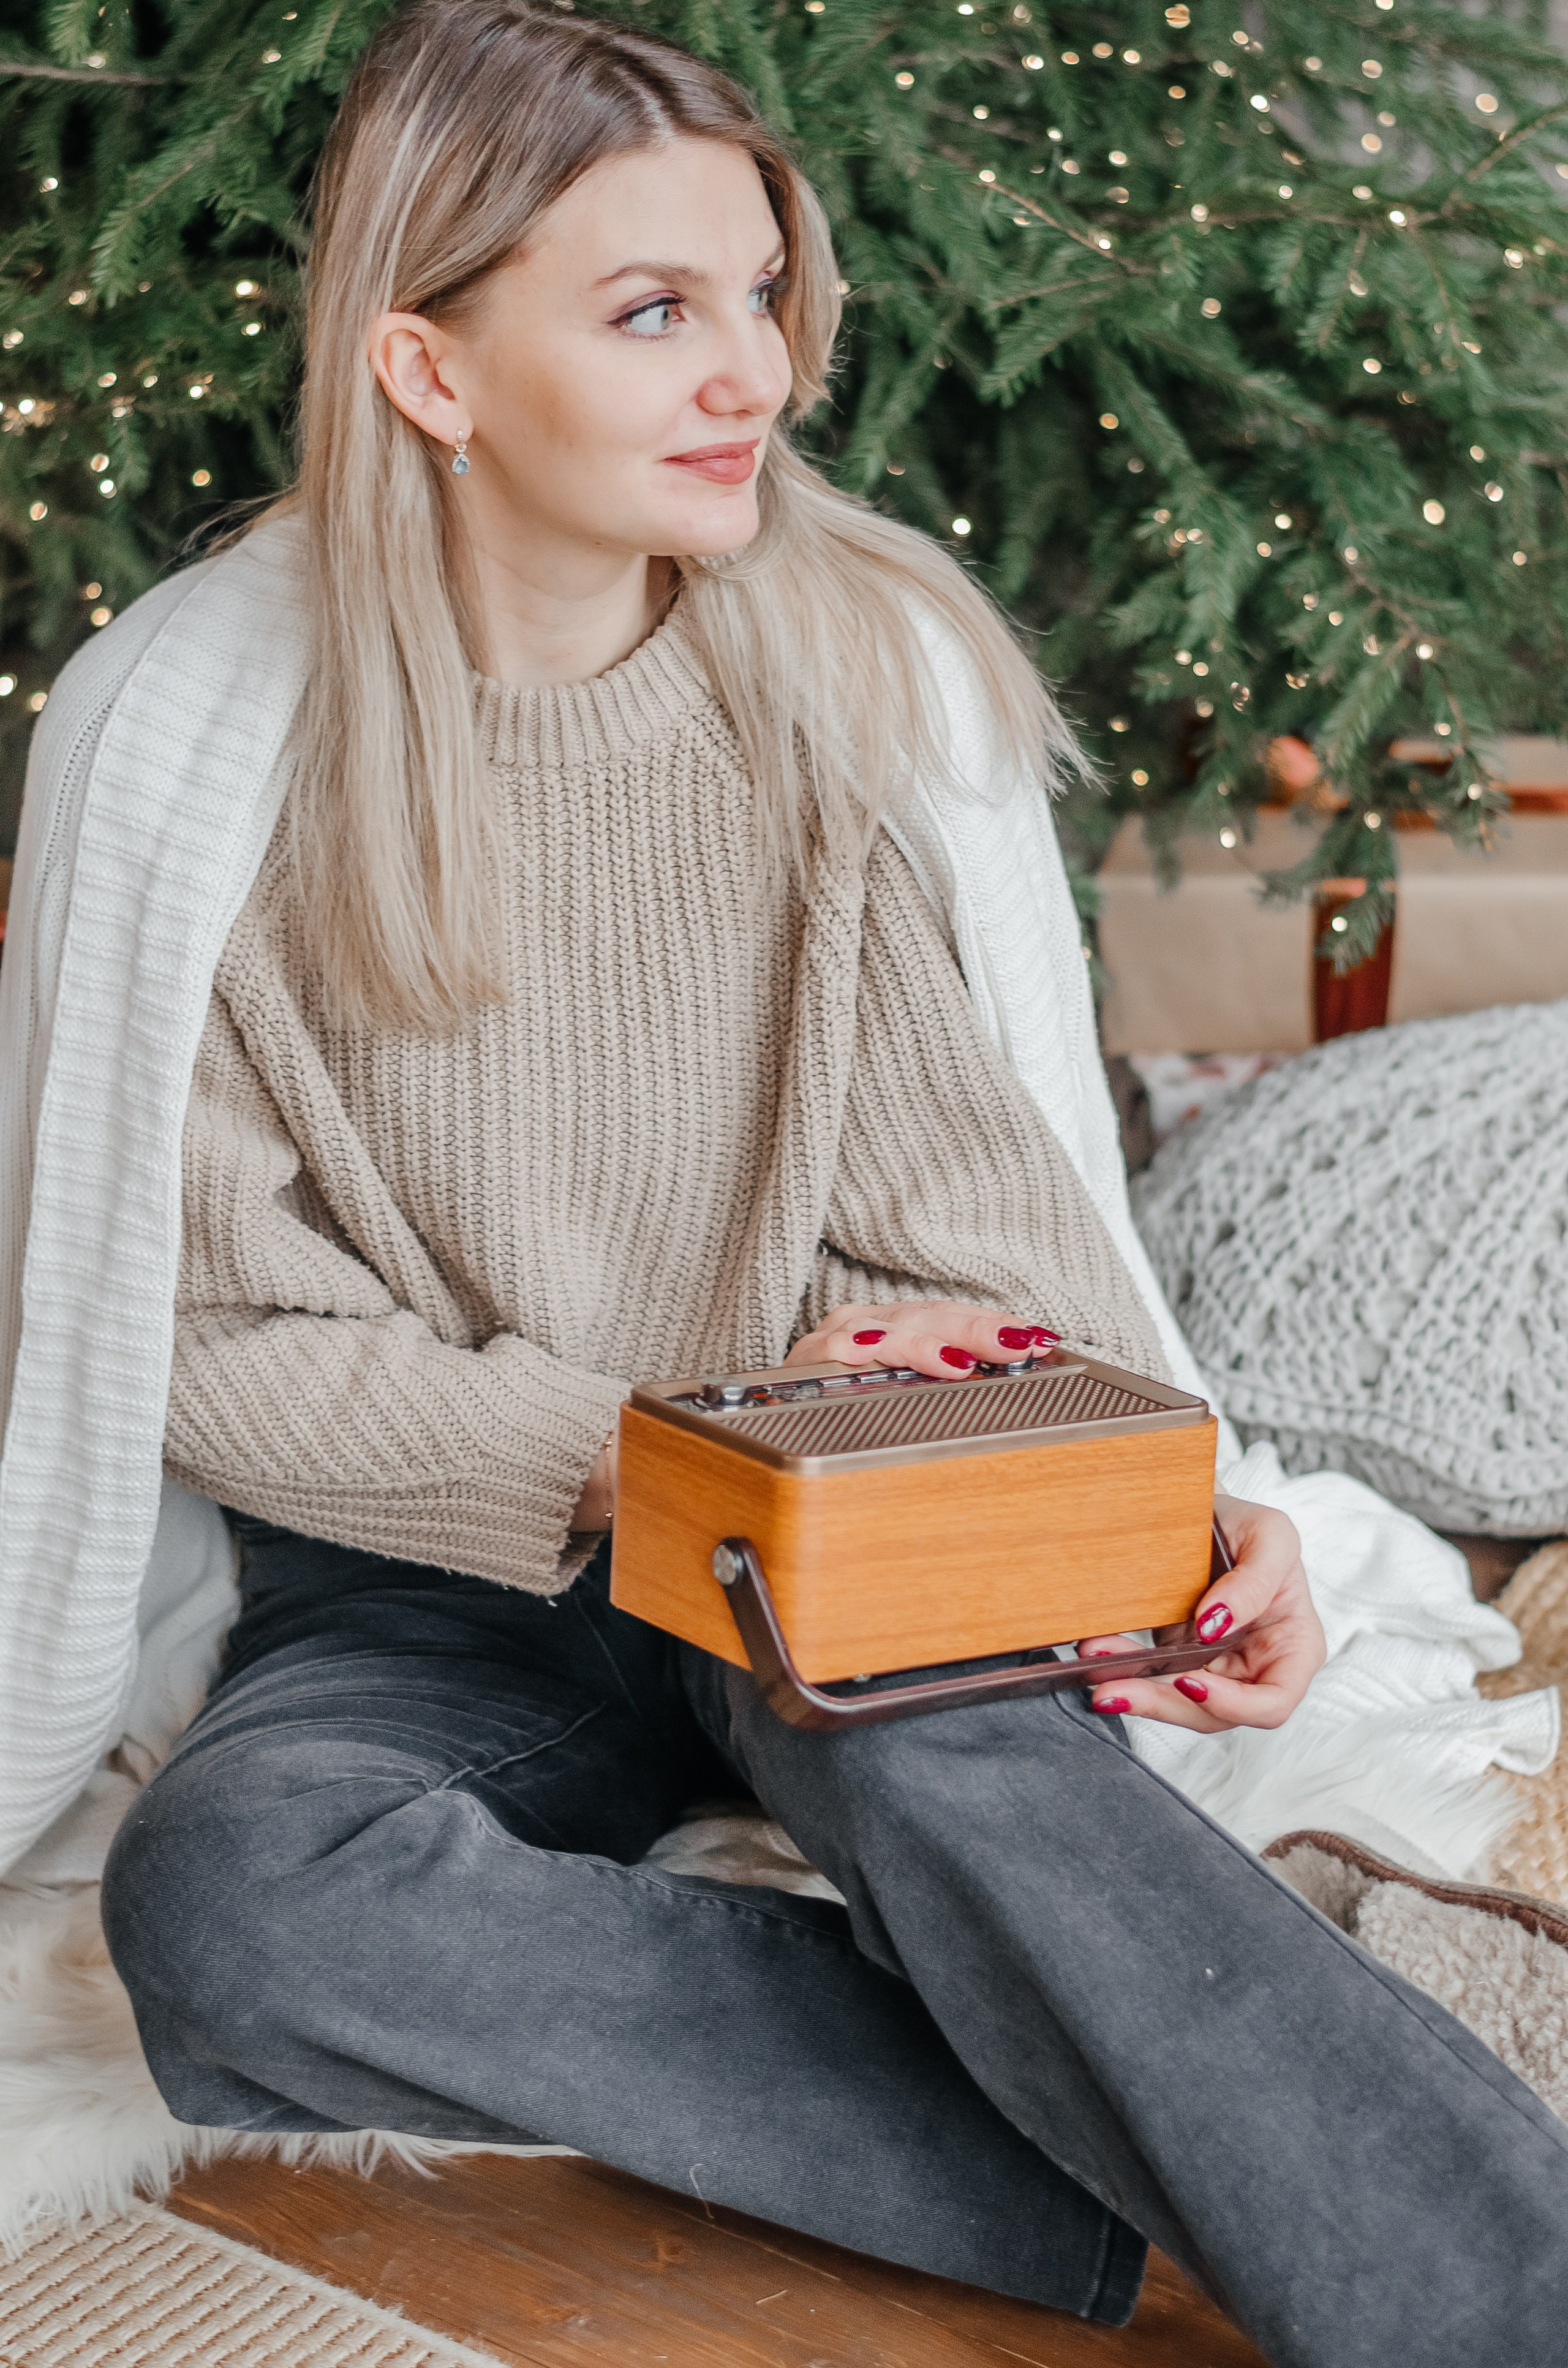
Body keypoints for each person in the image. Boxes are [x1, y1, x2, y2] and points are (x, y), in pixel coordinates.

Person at [80, 6, 1565, 2361]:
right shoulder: (213, 765)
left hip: (830, 1542)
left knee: (975, 1778)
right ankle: (1187, 2145)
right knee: (235, 1904)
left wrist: (1145, 1504)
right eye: (653, 309)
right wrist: (641, 1456)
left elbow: (989, 1219)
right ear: (431, 372)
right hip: (440, 1597)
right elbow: (207, 1338)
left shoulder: (827, 712)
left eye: (764, 294)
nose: (755, 374)